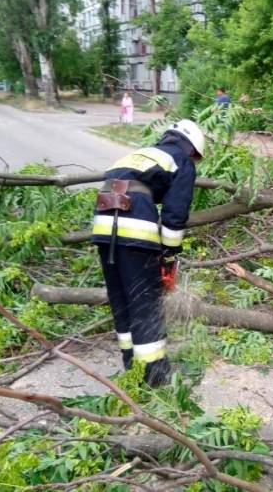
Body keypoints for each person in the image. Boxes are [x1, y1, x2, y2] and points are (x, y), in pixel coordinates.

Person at [90, 119, 206, 387]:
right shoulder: (181, 160)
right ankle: (154, 374)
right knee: (146, 301)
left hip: (104, 227)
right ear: (191, 148)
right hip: (134, 229)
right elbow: (175, 212)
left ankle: (132, 365)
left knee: (121, 299)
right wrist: (169, 251)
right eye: (195, 157)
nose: (194, 161)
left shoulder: (142, 154)